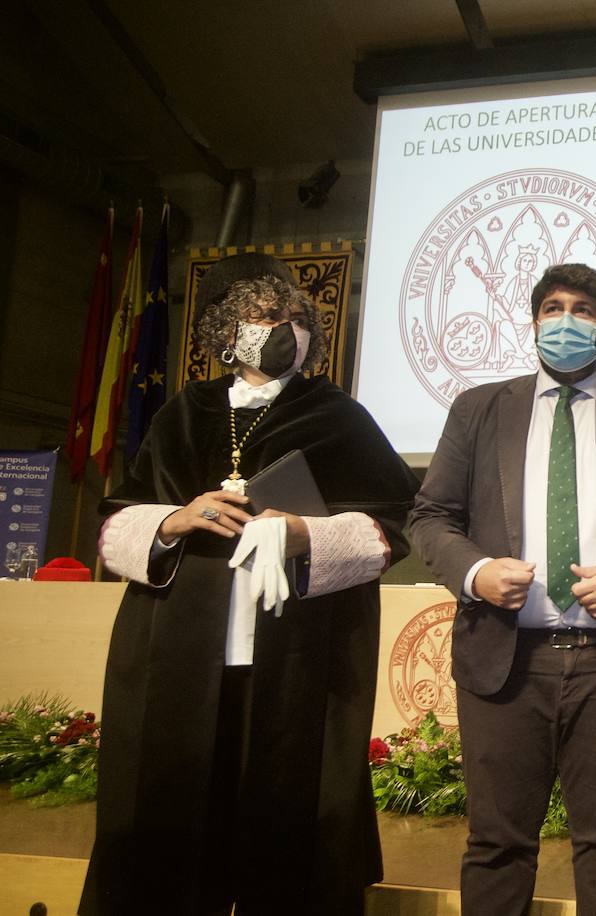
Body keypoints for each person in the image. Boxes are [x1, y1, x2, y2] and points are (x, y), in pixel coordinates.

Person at [79, 253, 419, 915]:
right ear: (226, 332)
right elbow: (117, 526)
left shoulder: (336, 415)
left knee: (286, 832)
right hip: (180, 651)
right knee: (171, 830)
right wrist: (177, 518)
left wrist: (301, 533)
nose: (282, 328)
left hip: (292, 661)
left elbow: (390, 528)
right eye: (265, 317)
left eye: (294, 317)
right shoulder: (185, 412)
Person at [408, 262, 596, 915]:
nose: (565, 321)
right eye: (552, 308)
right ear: (535, 321)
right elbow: (430, 517)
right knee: (497, 845)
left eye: (581, 310)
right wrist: (475, 572)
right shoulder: (480, 409)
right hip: (504, 661)